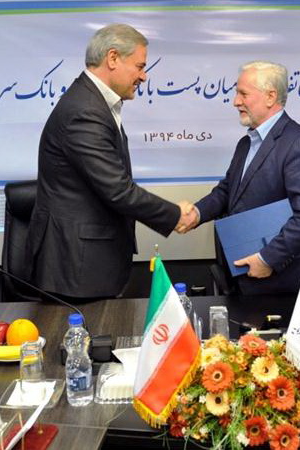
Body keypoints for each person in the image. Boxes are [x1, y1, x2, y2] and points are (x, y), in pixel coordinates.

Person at [25, 24, 194, 301]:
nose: (144, 76)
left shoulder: (93, 102)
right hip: (76, 268)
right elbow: (117, 189)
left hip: (88, 263)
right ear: (113, 58)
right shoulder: (85, 111)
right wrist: (175, 214)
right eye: (140, 66)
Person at [180, 61, 300, 295]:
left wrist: (268, 258)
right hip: (245, 276)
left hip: (284, 282)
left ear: (271, 96)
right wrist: (196, 214)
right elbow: (228, 190)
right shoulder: (246, 143)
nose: (235, 101)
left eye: (243, 94)